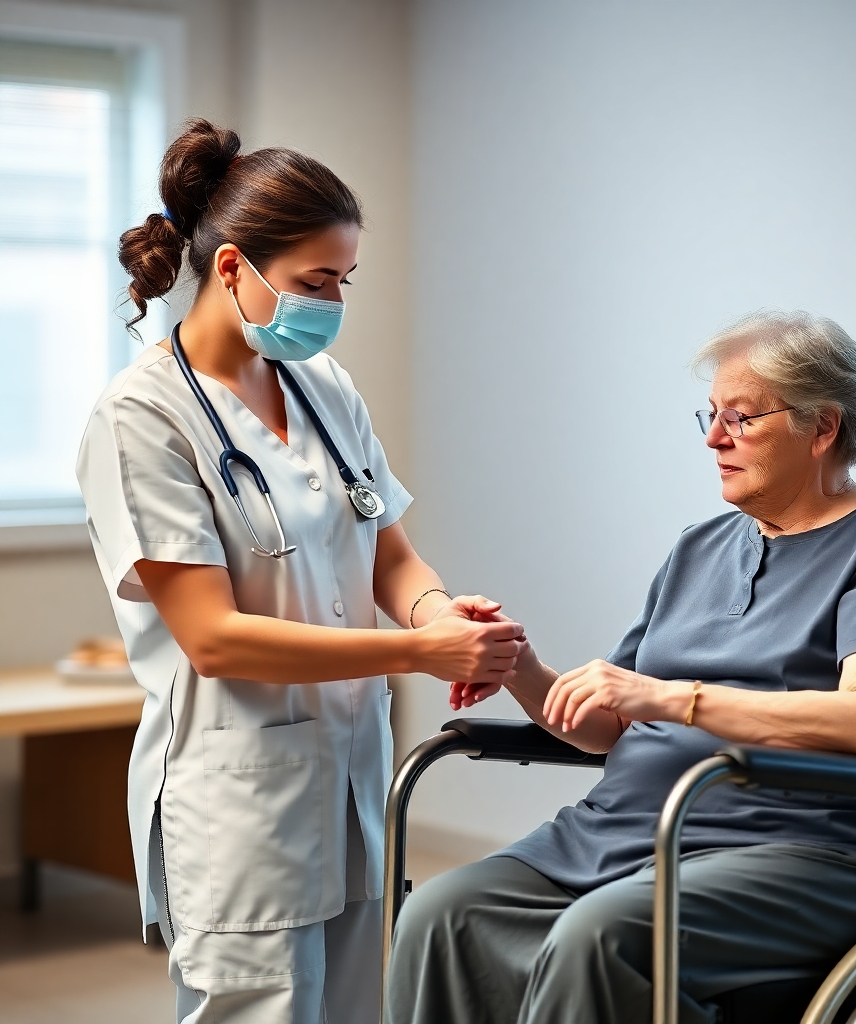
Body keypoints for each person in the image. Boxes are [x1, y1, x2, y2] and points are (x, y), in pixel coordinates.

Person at [385, 310, 856, 1024]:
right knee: (442, 914)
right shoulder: (701, 548)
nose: (713, 438)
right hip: (632, 833)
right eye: (712, 414)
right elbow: (609, 722)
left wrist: (673, 698)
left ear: (822, 428)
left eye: (742, 418)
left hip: (818, 854)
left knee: (605, 938)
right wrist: (521, 666)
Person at [76, 119, 525, 1024]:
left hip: (356, 782)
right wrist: (416, 654)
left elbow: (387, 548)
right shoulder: (142, 417)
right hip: (240, 802)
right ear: (234, 267)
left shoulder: (325, 388)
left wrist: (438, 611)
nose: (331, 303)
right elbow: (211, 638)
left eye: (343, 281)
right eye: (314, 282)